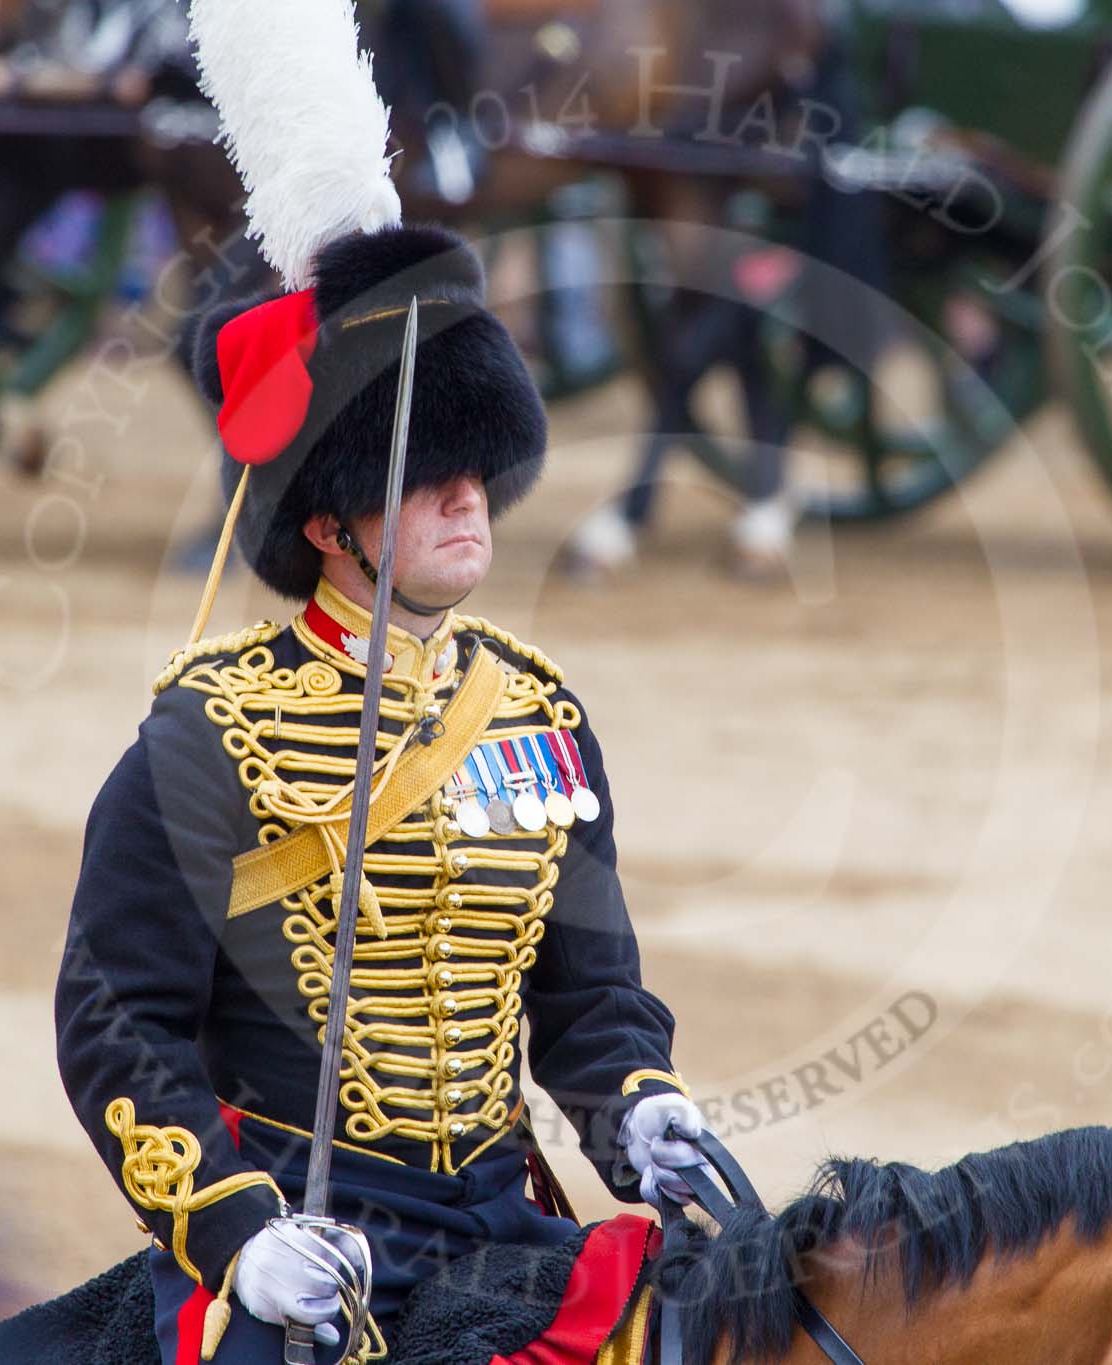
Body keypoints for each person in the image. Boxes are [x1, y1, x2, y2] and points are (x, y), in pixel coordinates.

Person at [53, 4, 712, 1362]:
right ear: (329, 515)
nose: (468, 491)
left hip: (498, 1227)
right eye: (426, 467)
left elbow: (589, 1001)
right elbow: (120, 1023)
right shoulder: (209, 735)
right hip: (303, 1235)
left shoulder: (542, 716)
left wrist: (638, 1104)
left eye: (481, 462)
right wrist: (238, 1232)